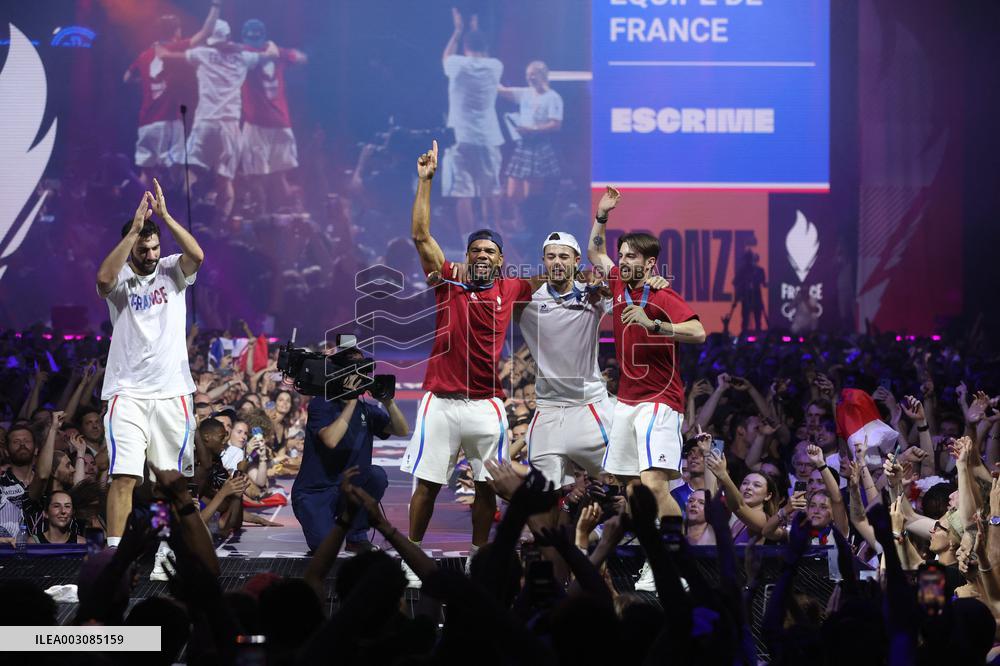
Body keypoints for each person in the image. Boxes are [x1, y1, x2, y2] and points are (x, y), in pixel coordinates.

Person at [399, 140, 537, 586]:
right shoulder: (449, 280)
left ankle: (480, 557)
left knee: (486, 487)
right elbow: (421, 236)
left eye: (489, 251)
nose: (480, 256)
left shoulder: (513, 288)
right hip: (440, 401)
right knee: (428, 485)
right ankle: (411, 557)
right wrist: (425, 183)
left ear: (501, 260)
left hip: (486, 405)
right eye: (474, 250)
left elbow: (559, 277)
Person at [587, 185, 706, 590]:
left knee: (655, 485)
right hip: (627, 401)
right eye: (621, 256)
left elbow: (699, 331)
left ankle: (668, 564)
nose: (620, 261)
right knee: (634, 489)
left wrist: (655, 324)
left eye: (630, 256)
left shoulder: (663, 294)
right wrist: (602, 215)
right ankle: (655, 555)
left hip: (660, 401)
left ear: (649, 261)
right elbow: (594, 252)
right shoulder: (619, 282)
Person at [96, 180, 204, 578]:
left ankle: (163, 550)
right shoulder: (120, 280)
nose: (151, 255)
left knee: (168, 482)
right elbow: (104, 278)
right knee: (123, 476)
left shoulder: (173, 270)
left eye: (154, 247)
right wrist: (136, 225)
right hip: (127, 392)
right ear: (131, 247)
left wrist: (165, 218)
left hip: (172, 391)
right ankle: (113, 558)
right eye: (143, 248)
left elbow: (197, 254)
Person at [515, 232, 668, 503]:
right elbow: (490, 286)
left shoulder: (594, 295)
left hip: (590, 408)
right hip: (548, 411)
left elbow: (631, 292)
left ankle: (646, 538)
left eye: (564, 256)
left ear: (576, 262)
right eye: (551, 257)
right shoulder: (527, 299)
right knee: (541, 496)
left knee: (631, 481)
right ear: (543, 261)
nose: (557, 262)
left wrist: (653, 283)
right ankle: (552, 544)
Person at [155, 20, 279, 221]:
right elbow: (273, 54)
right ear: (228, 38)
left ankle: (182, 221)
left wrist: (159, 47)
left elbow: (166, 56)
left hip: (206, 121)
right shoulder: (243, 57)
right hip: (229, 126)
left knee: (192, 173)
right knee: (225, 181)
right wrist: (267, 43)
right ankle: (221, 229)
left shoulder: (202, 53)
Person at [292, 348, 409, 554]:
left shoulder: (366, 410)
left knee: (376, 476)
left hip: (345, 488)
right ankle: (324, 522)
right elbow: (330, 439)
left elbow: (401, 430)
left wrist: (388, 402)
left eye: (364, 371)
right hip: (315, 492)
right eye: (357, 371)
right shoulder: (322, 403)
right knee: (325, 548)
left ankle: (356, 536)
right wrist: (351, 401)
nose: (362, 377)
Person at [123, 3, 220, 185]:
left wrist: (144, 82)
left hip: (146, 122)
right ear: (176, 31)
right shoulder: (175, 48)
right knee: (177, 172)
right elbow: (205, 33)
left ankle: (139, 210)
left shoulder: (144, 55)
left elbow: (126, 78)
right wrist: (216, 6)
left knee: (146, 173)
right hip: (170, 121)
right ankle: (177, 209)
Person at [440, 8, 504, 235]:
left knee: (463, 195)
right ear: (485, 49)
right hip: (488, 138)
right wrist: (476, 31)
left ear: (465, 48)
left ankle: (467, 243)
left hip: (460, 138)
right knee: (491, 192)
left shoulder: (457, 64)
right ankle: (498, 239)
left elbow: (445, 58)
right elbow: (481, 53)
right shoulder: (495, 66)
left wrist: (458, 32)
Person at [238, 19, 307, 214]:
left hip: (257, 124)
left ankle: (265, 219)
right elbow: (302, 58)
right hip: (281, 123)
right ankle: (295, 213)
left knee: (255, 178)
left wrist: (278, 52)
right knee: (280, 178)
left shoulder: (245, 54)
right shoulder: (277, 53)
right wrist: (279, 52)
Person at [498, 60, 563, 232]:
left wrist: (533, 129)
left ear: (543, 75)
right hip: (523, 146)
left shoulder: (553, 97)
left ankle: (528, 226)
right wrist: (487, 71)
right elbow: (502, 91)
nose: (530, 78)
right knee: (512, 192)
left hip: (538, 145)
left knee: (530, 195)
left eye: (533, 74)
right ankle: (517, 221)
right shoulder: (525, 93)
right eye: (528, 75)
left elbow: (556, 124)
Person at [732, 248, 766, 334]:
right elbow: (735, 282)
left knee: (757, 321)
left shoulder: (759, 270)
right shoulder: (742, 271)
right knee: (745, 321)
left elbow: (763, 283)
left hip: (756, 298)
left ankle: (758, 339)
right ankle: (744, 338)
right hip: (746, 298)